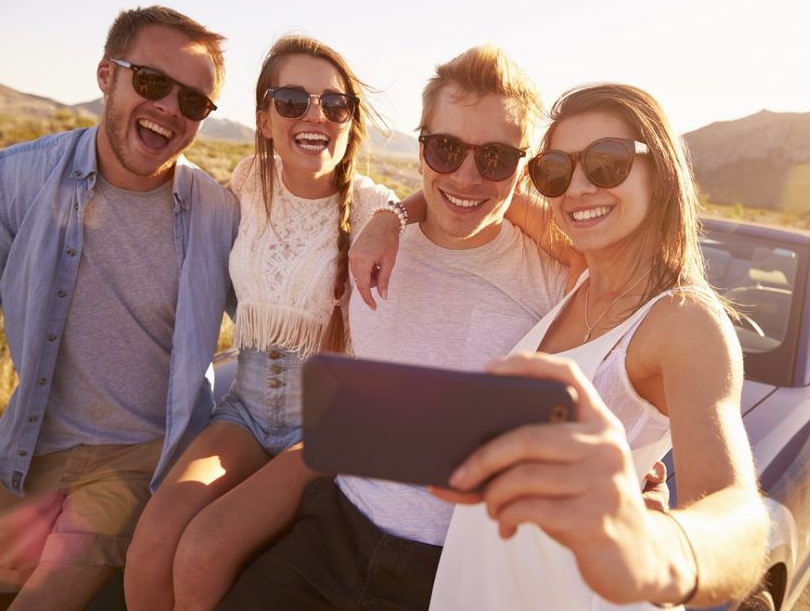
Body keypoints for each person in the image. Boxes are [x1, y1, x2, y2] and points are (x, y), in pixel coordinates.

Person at [217, 43, 575, 610]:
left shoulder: (557, 280)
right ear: (422, 146)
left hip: (456, 567)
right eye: (446, 148)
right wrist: (394, 216)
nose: (465, 175)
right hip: (337, 525)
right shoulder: (377, 241)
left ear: (524, 166)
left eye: (495, 159)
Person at [429, 83, 769, 608]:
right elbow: (471, 193)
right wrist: (391, 218)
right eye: (556, 170)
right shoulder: (580, 273)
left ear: (660, 172)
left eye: (607, 163)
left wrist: (650, 546)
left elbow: (742, 518)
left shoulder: (683, 320)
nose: (578, 188)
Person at [123, 35, 406, 611]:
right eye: (292, 100)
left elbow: (453, 215)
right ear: (264, 117)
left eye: (334, 104)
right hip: (248, 407)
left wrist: (404, 214)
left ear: (350, 121)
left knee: (203, 551)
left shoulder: (378, 208)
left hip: (327, 425)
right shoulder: (250, 182)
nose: (314, 116)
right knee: (152, 541)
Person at [0, 6, 237, 611]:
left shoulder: (217, 213)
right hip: (27, 445)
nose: (170, 110)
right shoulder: (18, 177)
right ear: (107, 75)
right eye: (152, 83)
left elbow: (281, 314)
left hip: (139, 461)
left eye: (194, 103)